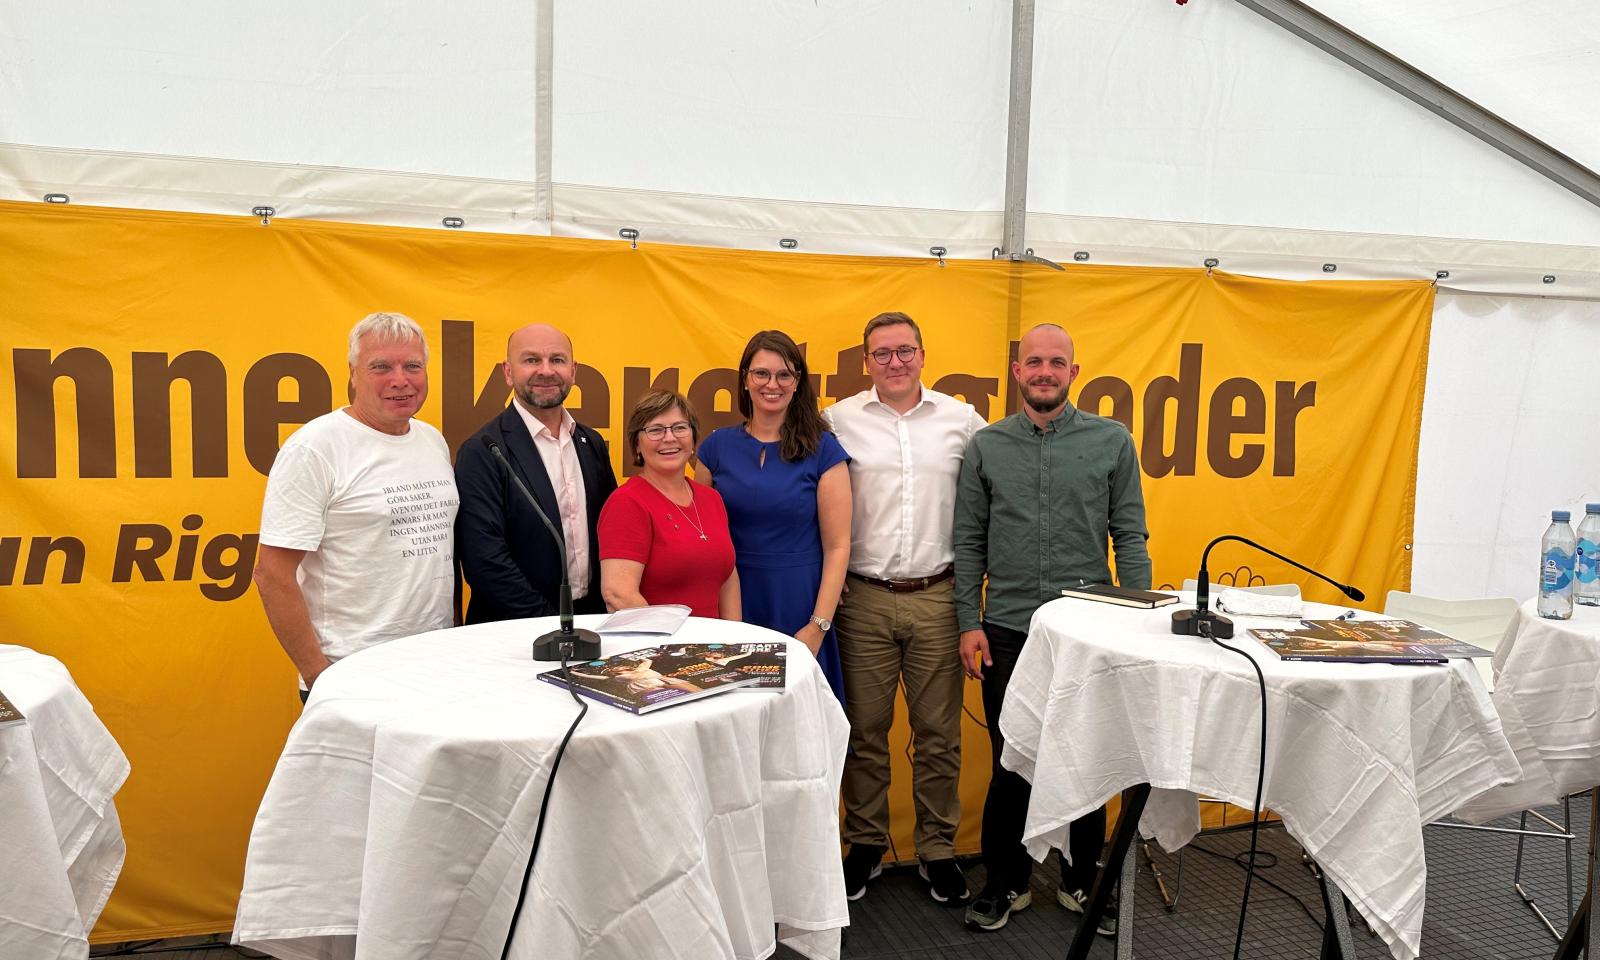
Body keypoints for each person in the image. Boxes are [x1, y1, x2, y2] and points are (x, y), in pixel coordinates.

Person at [953, 323, 1152, 934]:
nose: (1044, 372)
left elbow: (1130, 537)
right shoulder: (986, 447)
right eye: (1034, 362)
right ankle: (1005, 882)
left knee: (1087, 756)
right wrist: (968, 622)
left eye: (1056, 362)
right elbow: (969, 542)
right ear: (1018, 371)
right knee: (1011, 757)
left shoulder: (1112, 441)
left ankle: (1081, 879)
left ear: (1073, 371)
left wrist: (1138, 623)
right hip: (1006, 630)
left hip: (1089, 629)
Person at [823, 312, 988, 906]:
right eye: (882, 353)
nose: (895, 362)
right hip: (862, 599)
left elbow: (992, 495)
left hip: (939, 597)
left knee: (939, 734)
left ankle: (937, 849)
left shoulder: (961, 420)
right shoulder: (837, 420)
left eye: (905, 351)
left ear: (922, 353)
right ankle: (865, 844)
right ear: (865, 361)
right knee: (863, 732)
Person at [254, 312, 459, 700]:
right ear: (352, 373)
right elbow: (271, 574)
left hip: (433, 665)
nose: (400, 379)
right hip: (351, 674)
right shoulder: (315, 448)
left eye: (412, 366)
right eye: (381, 367)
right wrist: (319, 675)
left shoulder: (431, 440)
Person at [696, 330, 851, 702]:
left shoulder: (823, 449)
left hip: (798, 603)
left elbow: (838, 546)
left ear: (797, 383)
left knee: (797, 718)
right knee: (730, 714)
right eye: (761, 373)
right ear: (745, 379)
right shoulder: (714, 448)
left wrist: (818, 625)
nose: (772, 384)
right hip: (732, 600)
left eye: (784, 375)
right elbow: (701, 536)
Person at [455, 323, 617, 623]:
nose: (546, 370)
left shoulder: (591, 443)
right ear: (508, 372)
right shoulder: (482, 450)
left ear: (573, 371)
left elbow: (610, 534)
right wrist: (549, 624)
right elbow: (485, 561)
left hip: (591, 623)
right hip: (515, 630)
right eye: (531, 360)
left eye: (557, 360)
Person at [599, 390, 739, 619]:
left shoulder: (711, 499)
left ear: (693, 438)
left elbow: (728, 578)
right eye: (655, 430)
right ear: (637, 445)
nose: (670, 438)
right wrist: (679, 641)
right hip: (659, 640)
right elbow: (619, 594)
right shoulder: (627, 503)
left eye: (680, 427)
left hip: (714, 642)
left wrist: (735, 635)